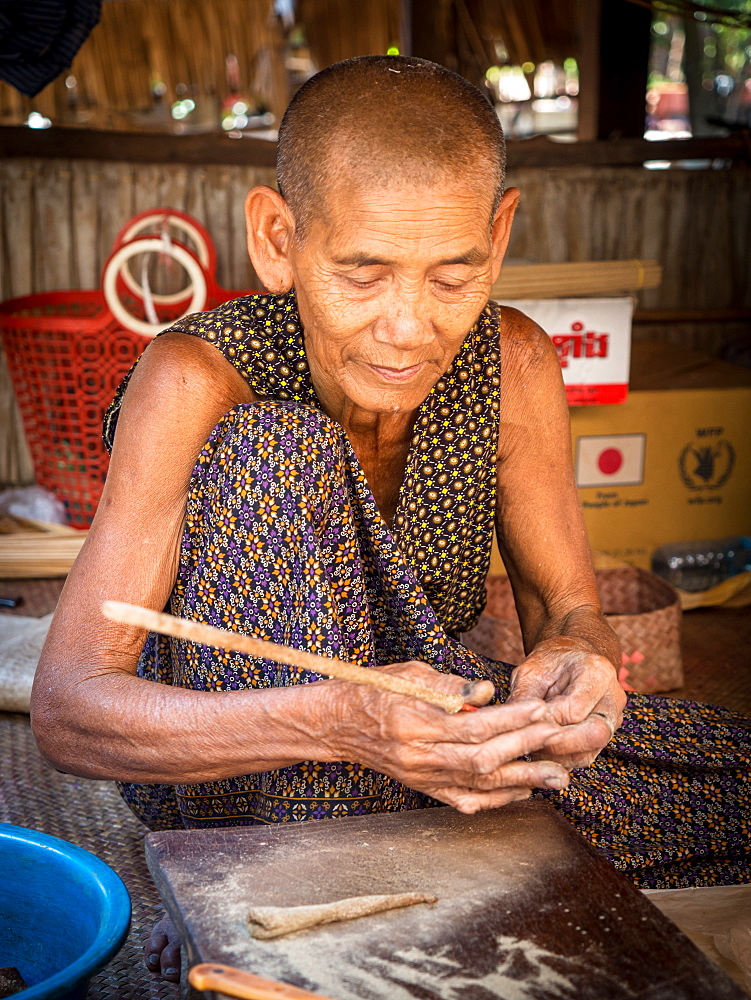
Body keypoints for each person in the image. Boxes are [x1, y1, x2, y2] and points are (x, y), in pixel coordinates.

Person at [31, 56, 750, 983]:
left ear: (497, 239)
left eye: (452, 276)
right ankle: (248, 864)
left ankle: (288, 890)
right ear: (277, 237)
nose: (408, 328)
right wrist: (345, 724)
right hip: (243, 773)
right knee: (272, 449)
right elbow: (68, 711)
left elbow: (567, 611)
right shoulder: (194, 381)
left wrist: (578, 670)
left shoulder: (515, 365)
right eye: (362, 273)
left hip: (430, 744)